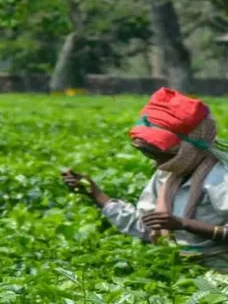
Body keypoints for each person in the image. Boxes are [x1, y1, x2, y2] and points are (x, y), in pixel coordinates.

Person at [63, 87, 228, 273]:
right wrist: (95, 194)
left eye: (160, 154)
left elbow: (169, 223)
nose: (158, 164)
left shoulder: (221, 177)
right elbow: (147, 225)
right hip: (177, 271)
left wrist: (184, 224)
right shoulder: (169, 176)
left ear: (187, 149)